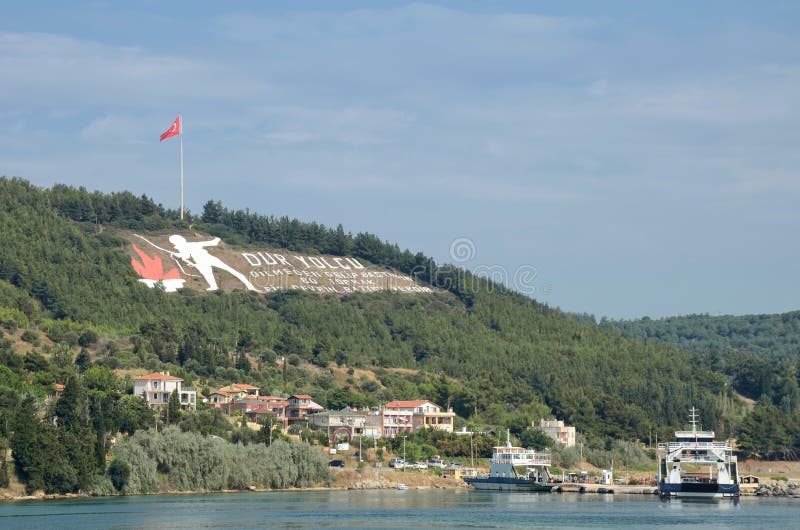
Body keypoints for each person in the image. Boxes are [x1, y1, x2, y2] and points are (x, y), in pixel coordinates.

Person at [168, 235, 257, 291]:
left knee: (230, 270)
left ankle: (250, 286)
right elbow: (186, 257)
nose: (173, 245)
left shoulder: (192, 244)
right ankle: (213, 287)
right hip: (200, 263)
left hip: (207, 258)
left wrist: (216, 239)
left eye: (173, 243)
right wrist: (177, 255)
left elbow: (212, 243)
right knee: (208, 275)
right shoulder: (182, 248)